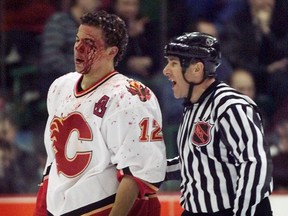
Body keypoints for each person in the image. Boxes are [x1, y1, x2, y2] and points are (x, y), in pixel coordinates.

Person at [34, 10, 166, 216]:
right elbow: (54, 161)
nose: (78, 47)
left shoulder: (129, 96)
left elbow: (139, 173)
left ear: (111, 51)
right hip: (58, 207)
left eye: (89, 42)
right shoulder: (60, 86)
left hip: (101, 208)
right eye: (77, 39)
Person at [163, 32, 273, 216]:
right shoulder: (193, 106)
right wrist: (151, 170)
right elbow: (199, 162)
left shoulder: (230, 105)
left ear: (197, 69)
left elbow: (255, 163)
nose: (166, 70)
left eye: (173, 63)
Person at [39, 0, 102, 97]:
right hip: (59, 79)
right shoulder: (59, 21)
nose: (97, 3)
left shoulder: (96, 25)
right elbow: (52, 57)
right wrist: (81, 73)